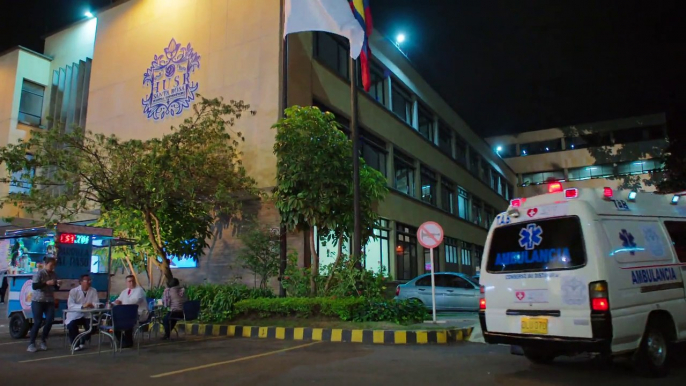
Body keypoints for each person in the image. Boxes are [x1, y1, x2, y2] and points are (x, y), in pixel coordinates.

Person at [27, 258, 60, 353]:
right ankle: (31, 343)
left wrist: (57, 284)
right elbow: (35, 286)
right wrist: (46, 283)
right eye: (51, 265)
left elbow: (55, 288)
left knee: (50, 320)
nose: (52, 267)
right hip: (38, 300)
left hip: (49, 300)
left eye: (54, 266)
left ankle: (43, 339)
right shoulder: (39, 273)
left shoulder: (53, 274)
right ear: (46, 264)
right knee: (38, 321)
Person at [65, 274, 99, 351]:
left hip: (88, 315)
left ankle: (82, 339)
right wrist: (82, 306)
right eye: (87, 280)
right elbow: (70, 305)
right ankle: (75, 343)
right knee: (71, 325)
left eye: (90, 280)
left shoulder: (93, 290)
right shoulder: (73, 291)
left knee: (93, 326)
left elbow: (96, 303)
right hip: (75, 315)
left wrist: (92, 305)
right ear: (81, 282)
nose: (89, 282)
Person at [113, 275, 148, 348]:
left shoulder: (139, 290)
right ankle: (123, 341)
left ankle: (127, 341)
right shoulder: (124, 291)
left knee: (126, 320)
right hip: (126, 313)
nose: (131, 283)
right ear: (126, 283)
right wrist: (115, 302)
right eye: (129, 281)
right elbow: (118, 300)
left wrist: (122, 302)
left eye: (133, 281)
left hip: (139, 312)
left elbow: (135, 300)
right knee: (114, 321)